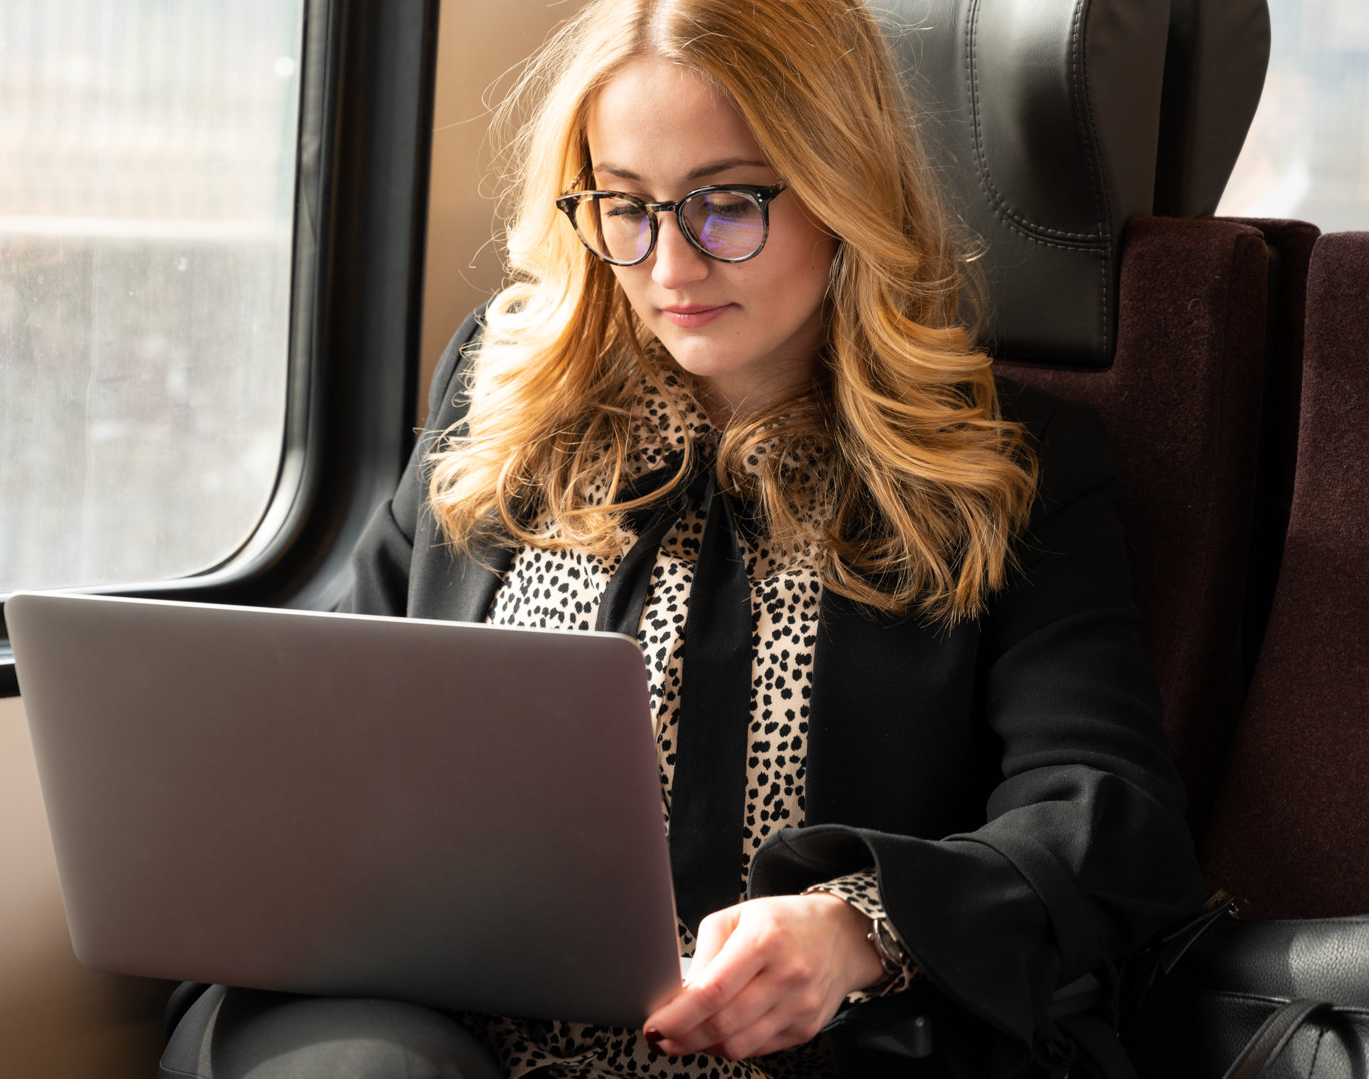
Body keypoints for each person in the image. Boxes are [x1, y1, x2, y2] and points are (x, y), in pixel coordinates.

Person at [160, 0, 1203, 1075]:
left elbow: (1107, 812)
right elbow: (338, 704)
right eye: (625, 207)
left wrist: (858, 927)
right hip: (432, 1012)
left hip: (802, 1044)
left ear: (845, 187)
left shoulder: (1007, 463)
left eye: (727, 205)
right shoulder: (499, 391)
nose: (669, 267)